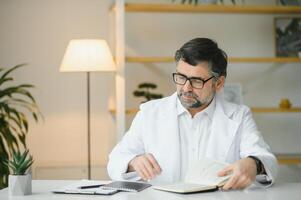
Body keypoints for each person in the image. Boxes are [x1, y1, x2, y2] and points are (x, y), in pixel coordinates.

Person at [107, 38, 278, 190]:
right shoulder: (149, 113)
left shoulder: (239, 115)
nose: (186, 88)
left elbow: (266, 159)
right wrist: (133, 162)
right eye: (181, 77)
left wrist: (253, 164)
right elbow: (115, 161)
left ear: (218, 83)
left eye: (196, 81)